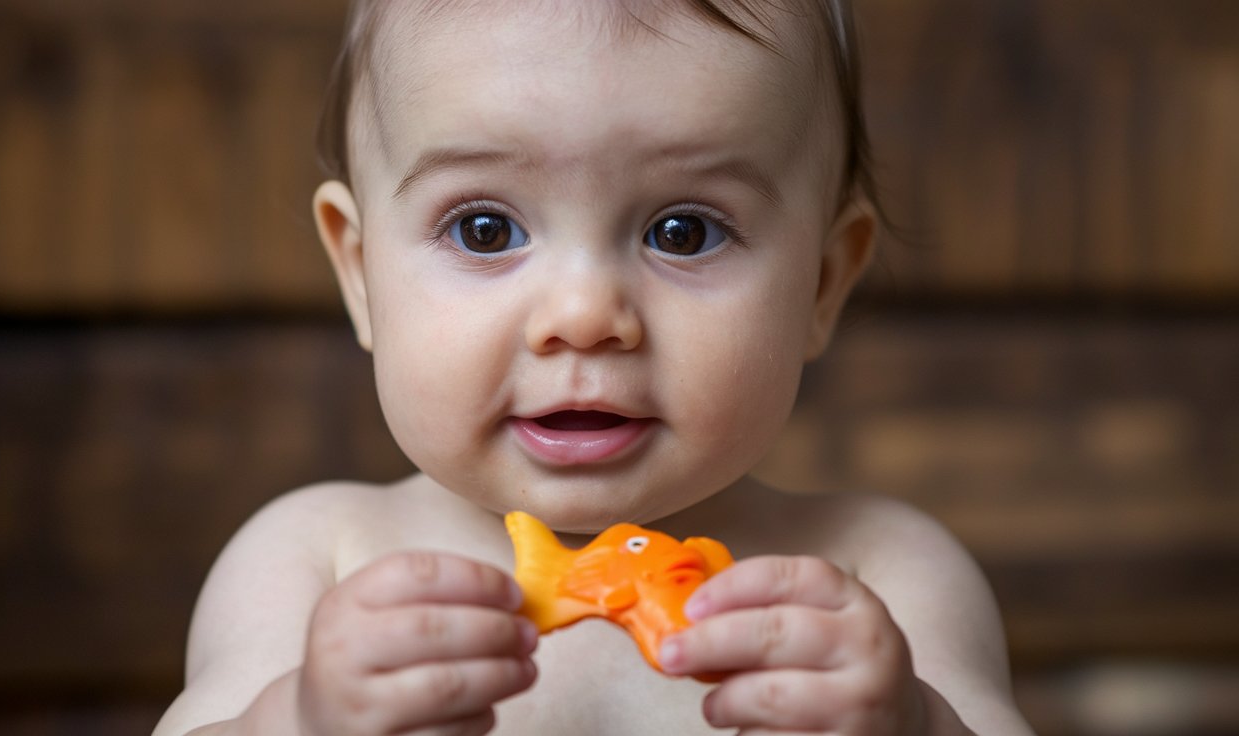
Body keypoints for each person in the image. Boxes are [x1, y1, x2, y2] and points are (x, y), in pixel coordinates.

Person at [155, 0, 1036, 733]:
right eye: (485, 229)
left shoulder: (881, 577)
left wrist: (915, 724)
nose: (583, 318)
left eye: (683, 231)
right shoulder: (314, 559)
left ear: (821, 282)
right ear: (360, 273)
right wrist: (296, 722)